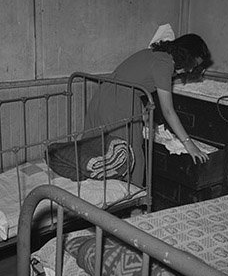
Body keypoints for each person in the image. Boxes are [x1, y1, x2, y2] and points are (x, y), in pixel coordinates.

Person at [85, 33, 214, 183]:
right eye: (193, 65)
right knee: (130, 158)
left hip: (103, 96)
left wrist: (142, 111)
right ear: (186, 56)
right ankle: (131, 204)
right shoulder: (164, 64)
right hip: (118, 105)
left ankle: (97, 201)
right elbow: (168, 111)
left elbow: (133, 80)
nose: (192, 70)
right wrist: (189, 144)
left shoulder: (154, 54)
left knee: (101, 152)